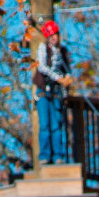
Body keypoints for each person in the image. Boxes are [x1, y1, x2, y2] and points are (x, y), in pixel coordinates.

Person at [34, 19, 72, 164]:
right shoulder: (44, 49)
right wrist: (58, 78)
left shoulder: (61, 51)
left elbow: (66, 68)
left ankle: (58, 155)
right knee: (45, 125)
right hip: (44, 91)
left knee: (56, 124)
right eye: (51, 35)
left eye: (55, 34)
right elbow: (42, 67)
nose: (54, 38)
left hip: (56, 93)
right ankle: (44, 155)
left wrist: (67, 78)